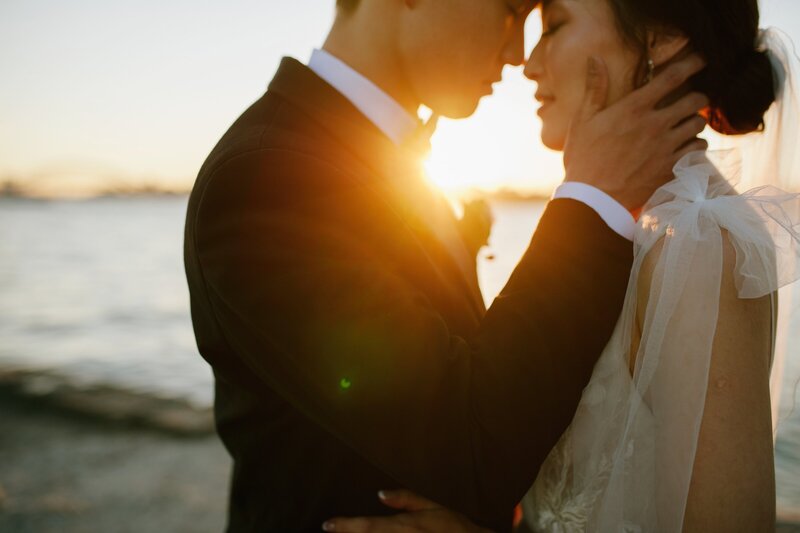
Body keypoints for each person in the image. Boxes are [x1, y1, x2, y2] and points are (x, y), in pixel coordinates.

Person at [182, 0, 709, 530]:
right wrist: (592, 198)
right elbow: (473, 442)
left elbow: (472, 390)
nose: (517, 55)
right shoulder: (265, 180)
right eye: (509, 11)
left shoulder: (401, 170)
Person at [323, 0, 800, 531]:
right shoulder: (617, 223)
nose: (528, 63)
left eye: (554, 27)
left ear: (661, 41)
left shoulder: (700, 241)